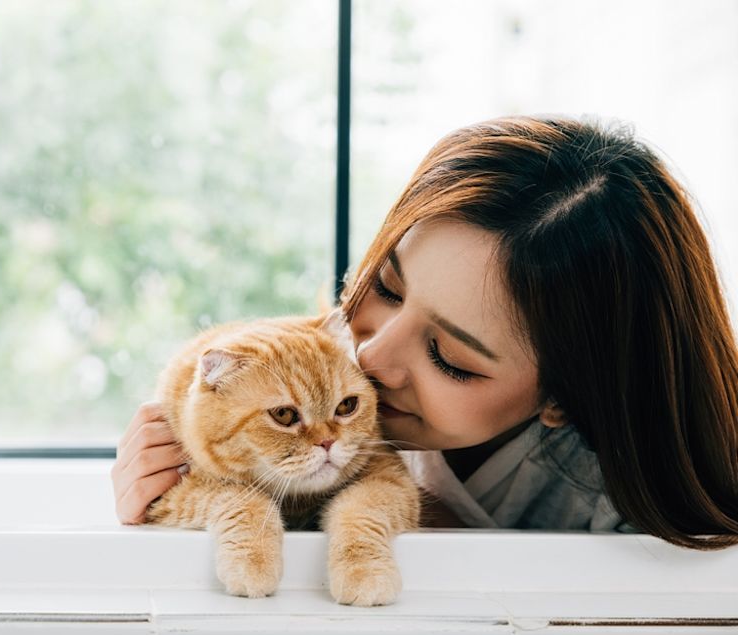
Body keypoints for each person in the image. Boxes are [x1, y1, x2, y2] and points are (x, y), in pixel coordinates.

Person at [111, 115, 738, 550]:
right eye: (385, 286)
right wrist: (171, 493)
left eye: (449, 356)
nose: (373, 355)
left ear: (563, 401)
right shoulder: (327, 373)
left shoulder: (610, 510)